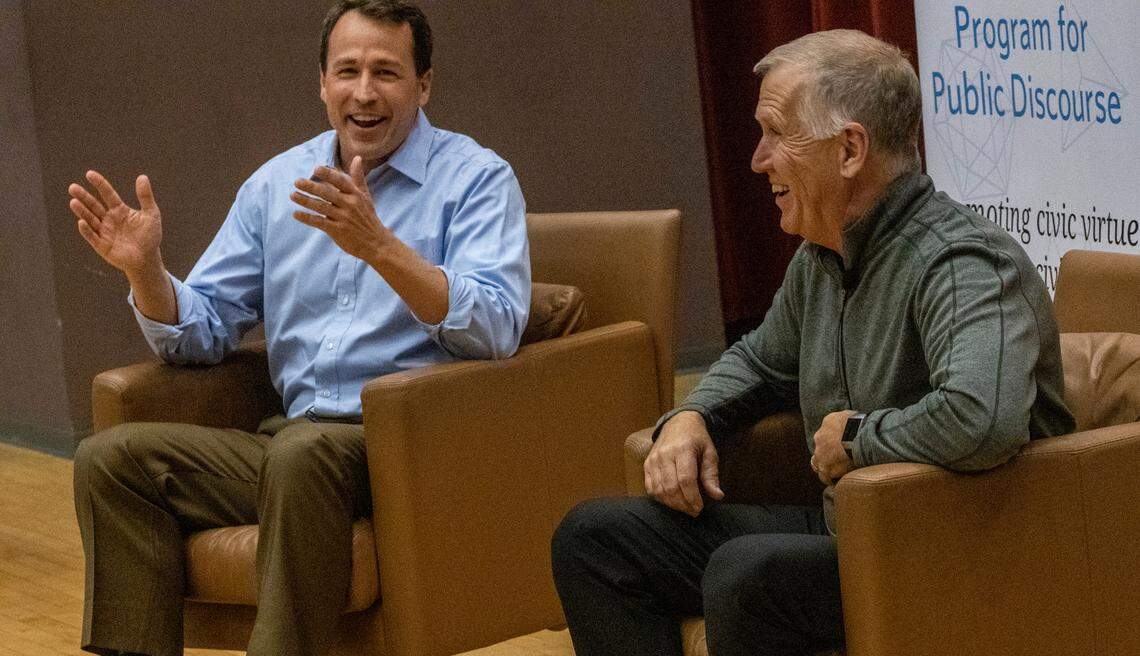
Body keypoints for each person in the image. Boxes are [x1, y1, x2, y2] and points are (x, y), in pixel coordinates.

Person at [550, 29, 1074, 656]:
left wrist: (858, 437)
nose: (757, 159)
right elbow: (759, 358)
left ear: (850, 148)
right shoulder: (820, 258)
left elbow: (980, 418)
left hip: (958, 546)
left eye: (777, 133)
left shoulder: (961, 263)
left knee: (749, 573)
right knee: (594, 538)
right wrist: (692, 415)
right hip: (849, 530)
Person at [68, 2, 530, 655]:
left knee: (301, 455)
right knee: (108, 460)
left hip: (406, 445)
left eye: (387, 73)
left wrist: (381, 249)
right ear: (321, 83)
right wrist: (146, 273)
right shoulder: (275, 185)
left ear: (423, 85)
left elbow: (499, 327)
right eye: (347, 71)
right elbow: (203, 331)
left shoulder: (477, 179)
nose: (364, 92)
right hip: (293, 441)